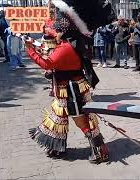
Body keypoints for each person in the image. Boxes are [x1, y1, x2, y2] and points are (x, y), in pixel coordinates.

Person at [27, 0, 115, 164]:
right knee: (57, 118)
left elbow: (48, 63)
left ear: (65, 32)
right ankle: (57, 147)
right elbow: (51, 54)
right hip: (64, 88)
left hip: (72, 89)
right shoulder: (68, 44)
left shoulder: (66, 48)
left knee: (81, 119)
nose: (55, 32)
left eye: (58, 30)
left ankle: (100, 150)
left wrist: (29, 50)